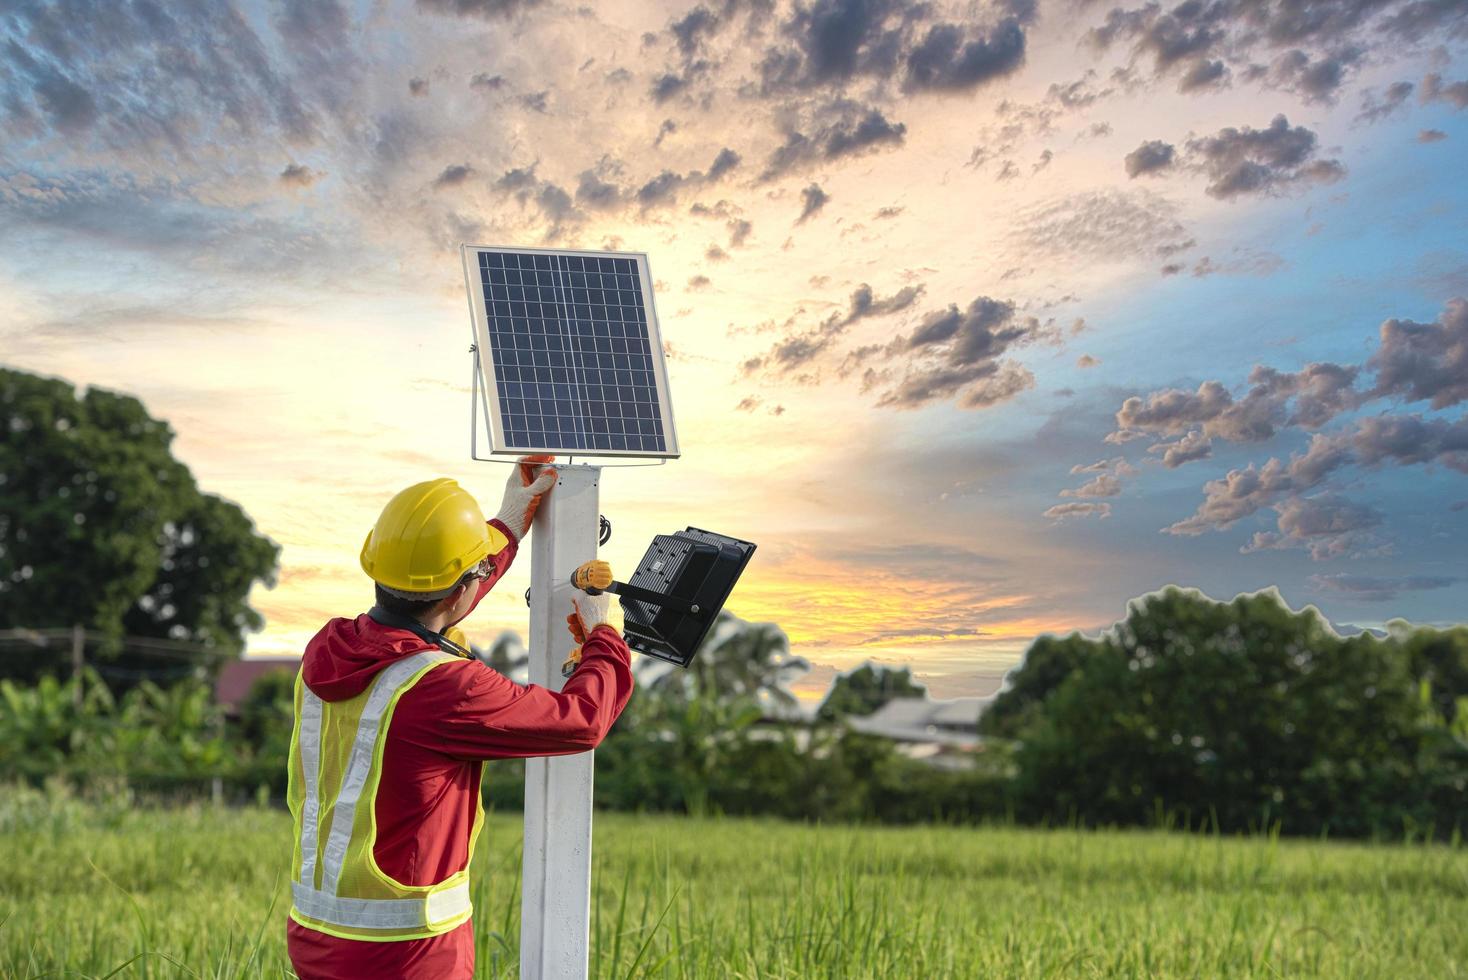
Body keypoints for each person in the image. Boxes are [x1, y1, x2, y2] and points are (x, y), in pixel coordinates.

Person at [285, 455, 634, 980]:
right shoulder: (444, 687)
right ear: (461, 588)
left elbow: (431, 598)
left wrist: (507, 525)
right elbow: (580, 719)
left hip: (315, 935)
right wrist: (605, 635)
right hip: (406, 951)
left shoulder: (332, 648)